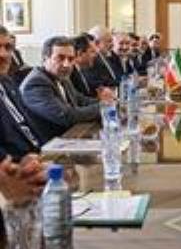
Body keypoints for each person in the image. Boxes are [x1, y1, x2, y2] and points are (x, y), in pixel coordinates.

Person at [20, 36, 112, 144]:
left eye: (71, 59)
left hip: (71, 136)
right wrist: (105, 107)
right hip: (50, 145)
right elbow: (66, 116)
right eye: (60, 58)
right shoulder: (35, 83)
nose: (66, 64)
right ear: (45, 59)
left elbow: (80, 100)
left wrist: (111, 102)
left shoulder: (61, 77)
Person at [0, 25, 41, 160]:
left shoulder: (8, 82)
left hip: (38, 156)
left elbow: (28, 128)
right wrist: (17, 166)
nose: (3, 55)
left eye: (8, 47)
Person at [84, 25, 118, 90]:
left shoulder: (106, 57)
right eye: (109, 41)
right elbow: (97, 84)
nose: (112, 44)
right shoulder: (91, 61)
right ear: (97, 42)